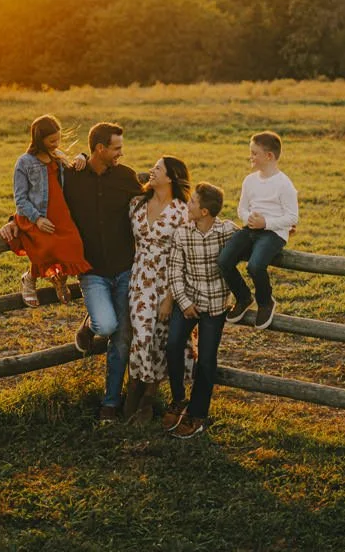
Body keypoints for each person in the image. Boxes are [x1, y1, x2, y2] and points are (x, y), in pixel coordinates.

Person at [60, 122, 144, 424]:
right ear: (99, 149)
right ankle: (91, 323)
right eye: (116, 148)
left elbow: (152, 200)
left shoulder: (125, 177)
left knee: (122, 338)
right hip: (91, 270)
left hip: (125, 269)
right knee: (107, 326)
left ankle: (110, 404)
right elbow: (49, 204)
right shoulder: (72, 176)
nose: (121, 153)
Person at [123, 155, 192, 424]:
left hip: (167, 282)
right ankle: (134, 389)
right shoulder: (137, 204)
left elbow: (184, 256)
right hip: (139, 279)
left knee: (158, 339)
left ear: (171, 177)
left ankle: (148, 399)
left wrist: (170, 298)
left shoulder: (182, 211)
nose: (151, 171)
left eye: (157, 169)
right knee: (140, 335)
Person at [161, 181, 233, 438]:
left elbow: (249, 239)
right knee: (172, 345)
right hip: (188, 301)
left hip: (214, 306)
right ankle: (179, 398)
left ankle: (197, 414)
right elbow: (175, 271)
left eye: (192, 202)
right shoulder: (182, 233)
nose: (187, 204)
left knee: (206, 360)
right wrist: (183, 302)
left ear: (204, 211)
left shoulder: (225, 232)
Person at [0, 115, 91, 307]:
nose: (56, 144)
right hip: (36, 215)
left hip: (60, 214)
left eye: (58, 139)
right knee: (45, 247)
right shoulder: (24, 162)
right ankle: (29, 279)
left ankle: (59, 280)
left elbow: (74, 173)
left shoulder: (58, 156)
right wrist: (37, 219)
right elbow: (20, 199)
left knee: (74, 245)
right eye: (51, 141)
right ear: (39, 139)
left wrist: (83, 156)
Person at [219, 131, 298, 330]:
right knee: (224, 260)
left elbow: (292, 217)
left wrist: (266, 223)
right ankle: (244, 297)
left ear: (269, 156)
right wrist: (249, 219)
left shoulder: (284, 184)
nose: (251, 157)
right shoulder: (250, 180)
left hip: (274, 233)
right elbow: (241, 208)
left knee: (255, 266)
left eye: (255, 153)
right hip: (251, 228)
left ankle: (265, 302)